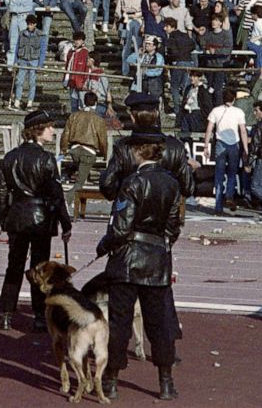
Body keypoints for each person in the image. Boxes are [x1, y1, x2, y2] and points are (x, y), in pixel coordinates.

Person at [98, 125, 182, 402]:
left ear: (138, 151)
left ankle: (111, 379)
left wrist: (105, 244)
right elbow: (173, 227)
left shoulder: (132, 182)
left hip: (127, 259)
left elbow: (120, 227)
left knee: (120, 321)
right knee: (158, 323)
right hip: (157, 258)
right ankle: (166, 381)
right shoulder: (171, 183)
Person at [0, 109, 71, 332]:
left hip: (17, 216)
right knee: (40, 269)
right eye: (48, 127)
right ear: (37, 131)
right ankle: (39, 315)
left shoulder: (11, 157)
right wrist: (65, 223)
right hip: (40, 218)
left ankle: (6, 313)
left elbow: (1, 192)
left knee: (14, 266)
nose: (52, 131)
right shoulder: (46, 159)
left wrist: (5, 219)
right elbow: (56, 195)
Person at [59, 92, 109, 216]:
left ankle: (69, 173)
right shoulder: (98, 119)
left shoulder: (74, 116)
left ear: (84, 101)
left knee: (78, 168)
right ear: (96, 103)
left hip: (74, 150)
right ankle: (66, 199)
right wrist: (104, 154)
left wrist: (63, 149)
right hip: (89, 152)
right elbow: (103, 140)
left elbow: (65, 134)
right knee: (80, 183)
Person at [203, 88, 250, 215]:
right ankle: (229, 194)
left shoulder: (215, 111)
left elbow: (209, 129)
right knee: (232, 172)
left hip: (220, 144)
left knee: (219, 175)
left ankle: (218, 206)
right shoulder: (239, 112)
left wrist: (206, 146)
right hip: (234, 144)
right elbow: (243, 131)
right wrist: (246, 148)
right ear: (234, 99)